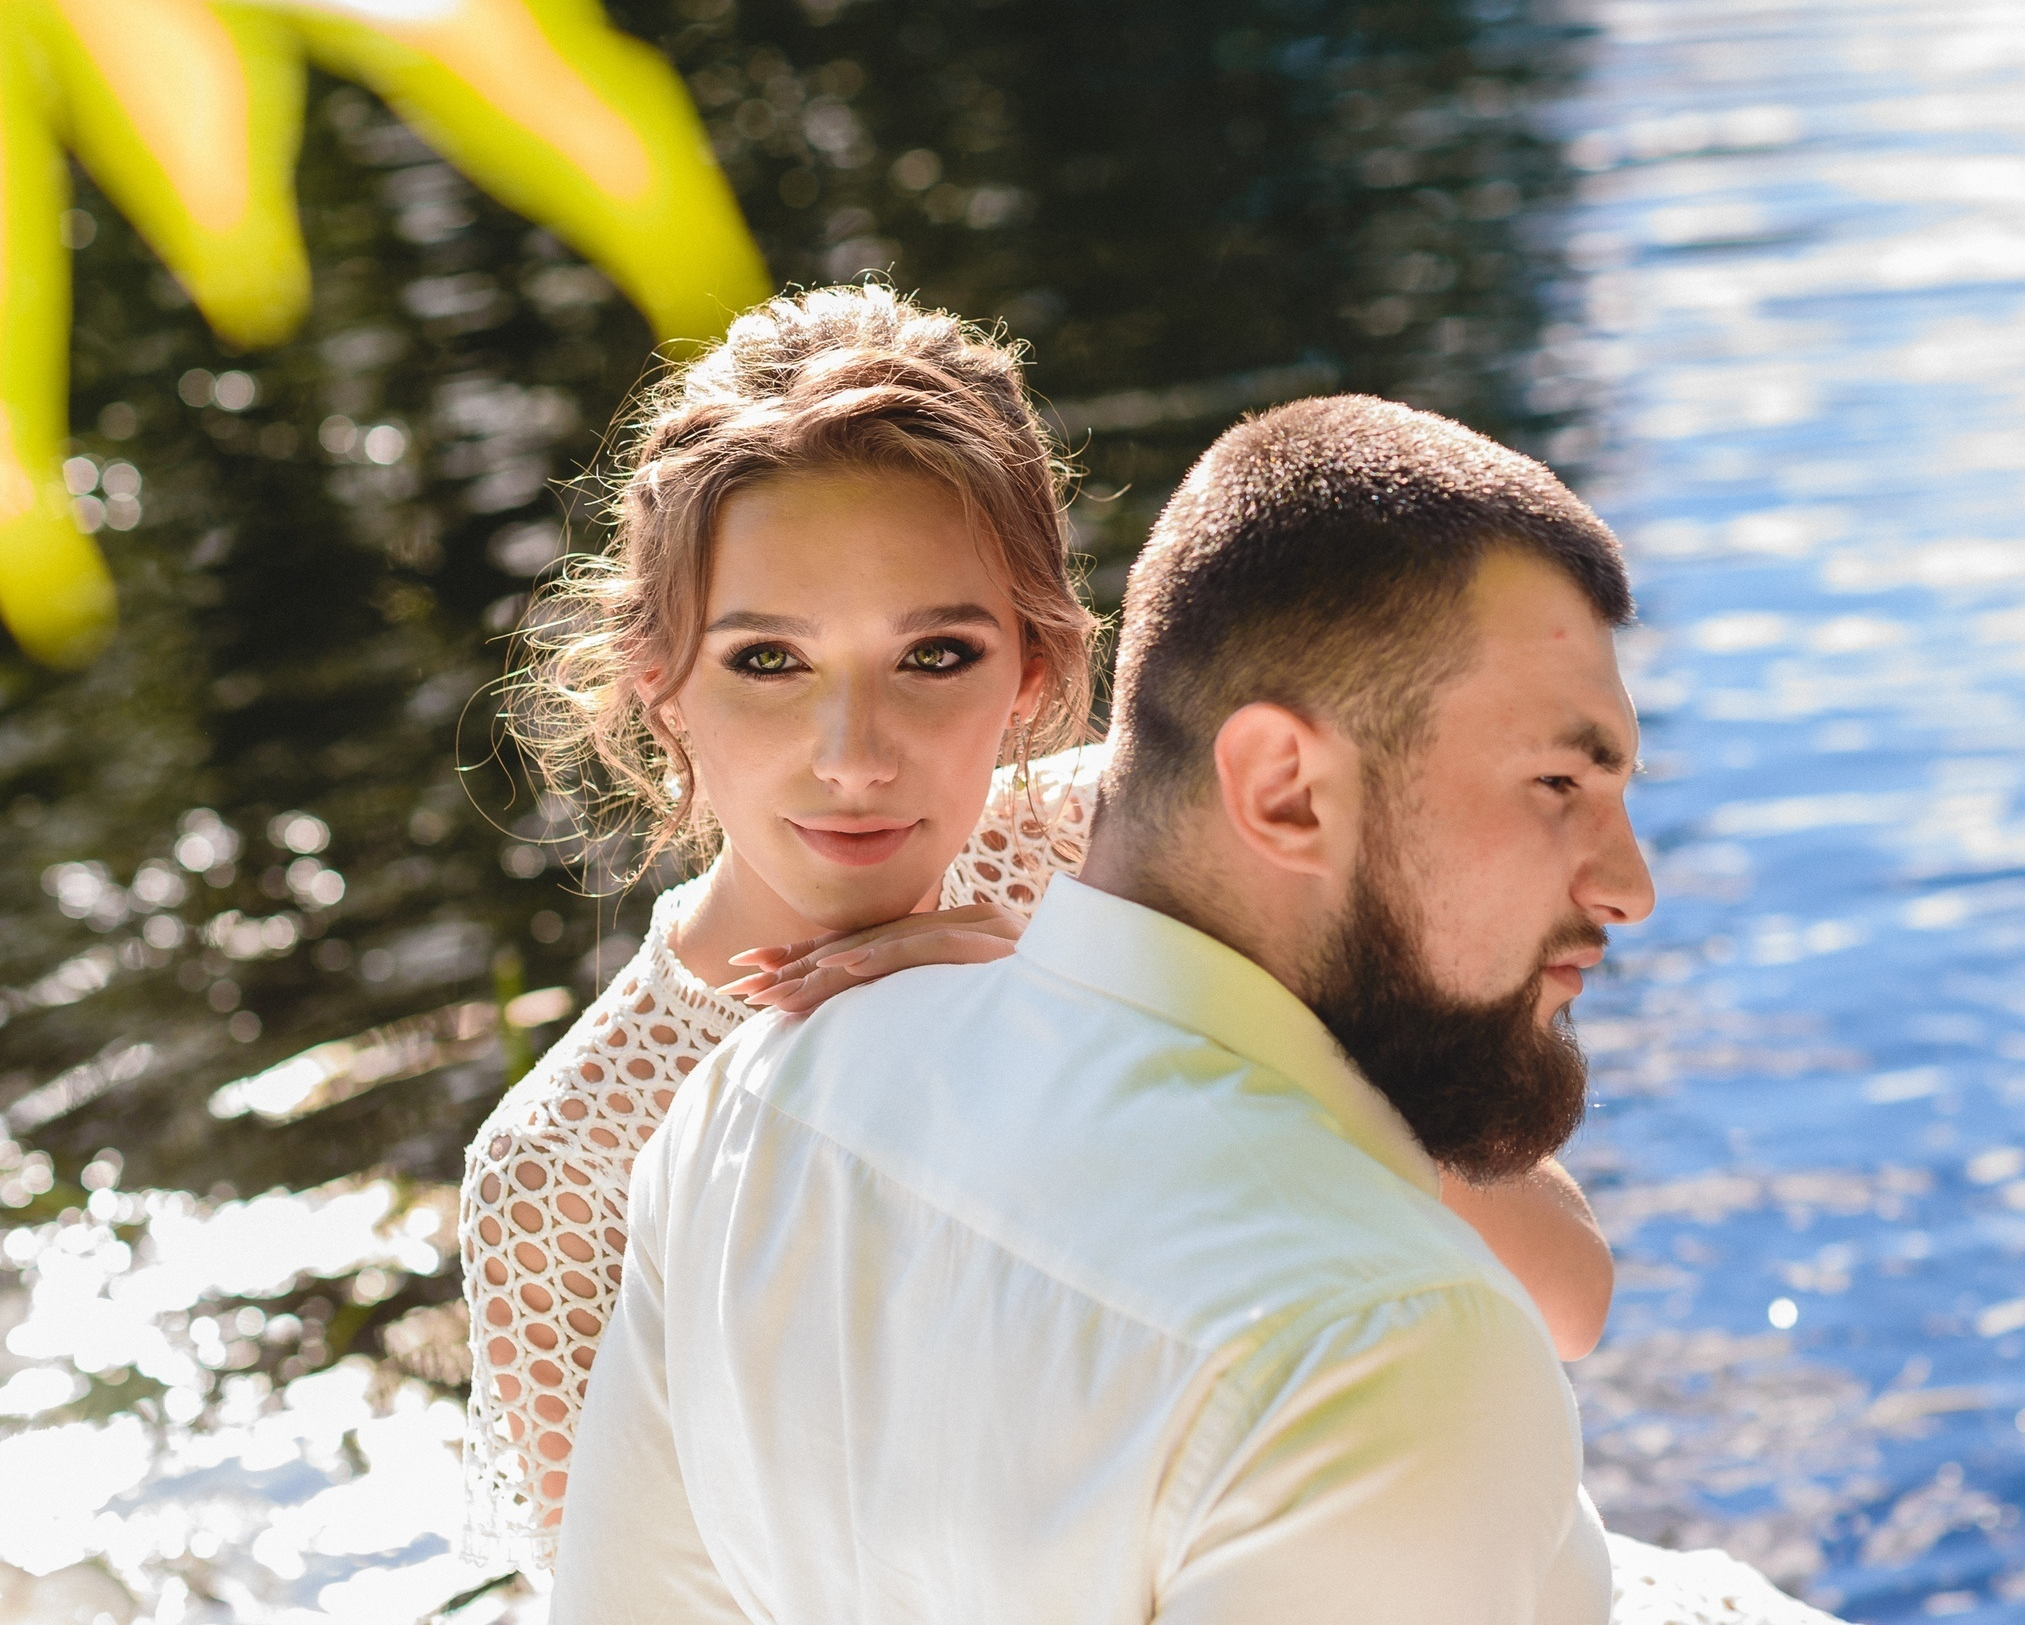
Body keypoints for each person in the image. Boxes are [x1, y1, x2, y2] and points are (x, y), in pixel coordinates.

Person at [553, 396, 1843, 1625]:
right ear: (1278, 790)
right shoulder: (1385, 1345)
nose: (1633, 888)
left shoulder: (747, 1100)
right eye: (1558, 779)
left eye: (936, 654)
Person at [456, 291, 1615, 1567]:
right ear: (658, 681)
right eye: (768, 661)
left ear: (1037, 666)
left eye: (935, 654)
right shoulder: (562, 1168)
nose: (853, 757)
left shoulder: (1124, 843)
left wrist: (1104, 1001)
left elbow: (1564, 1292)